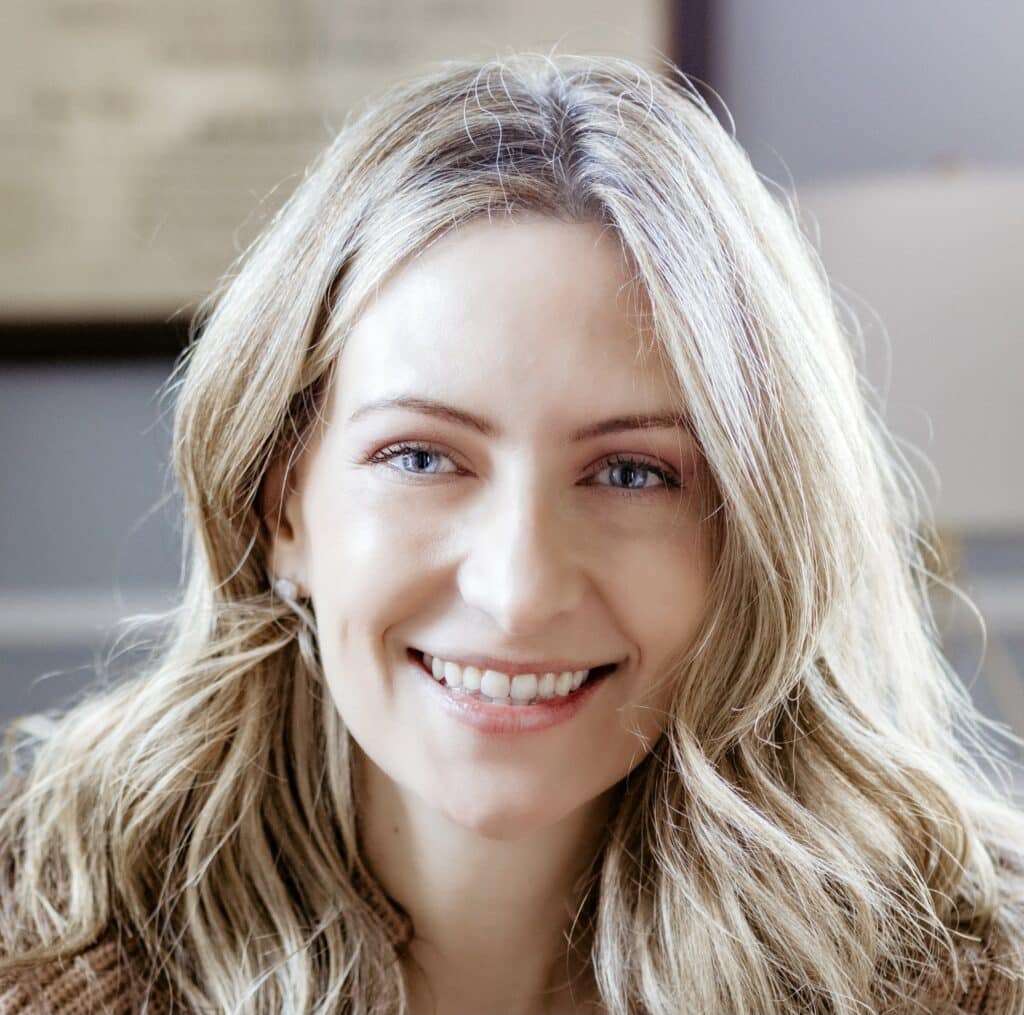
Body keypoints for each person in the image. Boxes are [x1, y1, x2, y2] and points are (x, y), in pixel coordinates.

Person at [1, 50, 1022, 1015]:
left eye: (632, 473)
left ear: (753, 535)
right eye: (420, 457)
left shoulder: (972, 972)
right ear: (282, 506)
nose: (519, 590)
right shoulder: (37, 947)